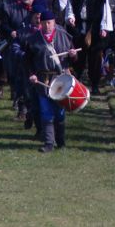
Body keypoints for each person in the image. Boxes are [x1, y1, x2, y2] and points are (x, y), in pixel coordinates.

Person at [26, 9, 77, 152]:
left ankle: (60, 142)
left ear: (54, 23)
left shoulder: (64, 36)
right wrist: (32, 74)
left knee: (59, 112)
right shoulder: (34, 39)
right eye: (44, 23)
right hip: (43, 80)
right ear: (40, 23)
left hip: (61, 79)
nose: (47, 25)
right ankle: (49, 143)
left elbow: (74, 59)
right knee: (45, 111)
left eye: (49, 23)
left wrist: (73, 55)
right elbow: (28, 60)